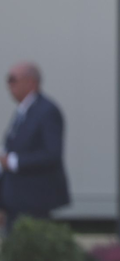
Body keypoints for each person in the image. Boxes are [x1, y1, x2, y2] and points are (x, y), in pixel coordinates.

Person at [0, 61, 70, 232]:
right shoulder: (23, 110)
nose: (8, 85)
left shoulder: (47, 111)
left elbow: (52, 154)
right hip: (14, 199)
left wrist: (14, 161)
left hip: (34, 198)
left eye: (12, 79)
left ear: (30, 82)